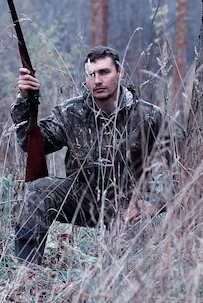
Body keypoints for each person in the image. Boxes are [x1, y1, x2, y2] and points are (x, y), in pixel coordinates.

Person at [10, 45, 183, 264]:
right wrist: (25, 99)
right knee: (38, 189)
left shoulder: (148, 116)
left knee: (124, 270)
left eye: (104, 72)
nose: (97, 80)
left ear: (119, 72)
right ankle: (26, 271)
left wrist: (154, 202)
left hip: (130, 208)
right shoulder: (70, 112)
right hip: (83, 199)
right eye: (91, 74)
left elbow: (187, 164)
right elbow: (31, 144)